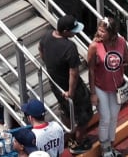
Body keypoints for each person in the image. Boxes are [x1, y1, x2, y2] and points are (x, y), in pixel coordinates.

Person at [87, 16, 128, 157]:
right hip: (101, 87)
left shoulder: (121, 42)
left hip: (117, 87)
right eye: (99, 30)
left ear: (111, 33)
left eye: (103, 32)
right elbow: (91, 70)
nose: (100, 34)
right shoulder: (94, 46)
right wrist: (93, 93)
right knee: (105, 117)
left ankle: (111, 145)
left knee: (114, 117)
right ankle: (104, 148)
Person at [39, 14, 93, 153]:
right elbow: (73, 73)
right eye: (73, 30)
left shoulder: (46, 36)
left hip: (56, 85)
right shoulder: (69, 47)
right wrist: (71, 92)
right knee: (85, 114)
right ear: (65, 31)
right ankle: (78, 143)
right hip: (70, 88)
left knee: (66, 111)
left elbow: (40, 50)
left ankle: (69, 135)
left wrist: (49, 65)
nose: (75, 33)